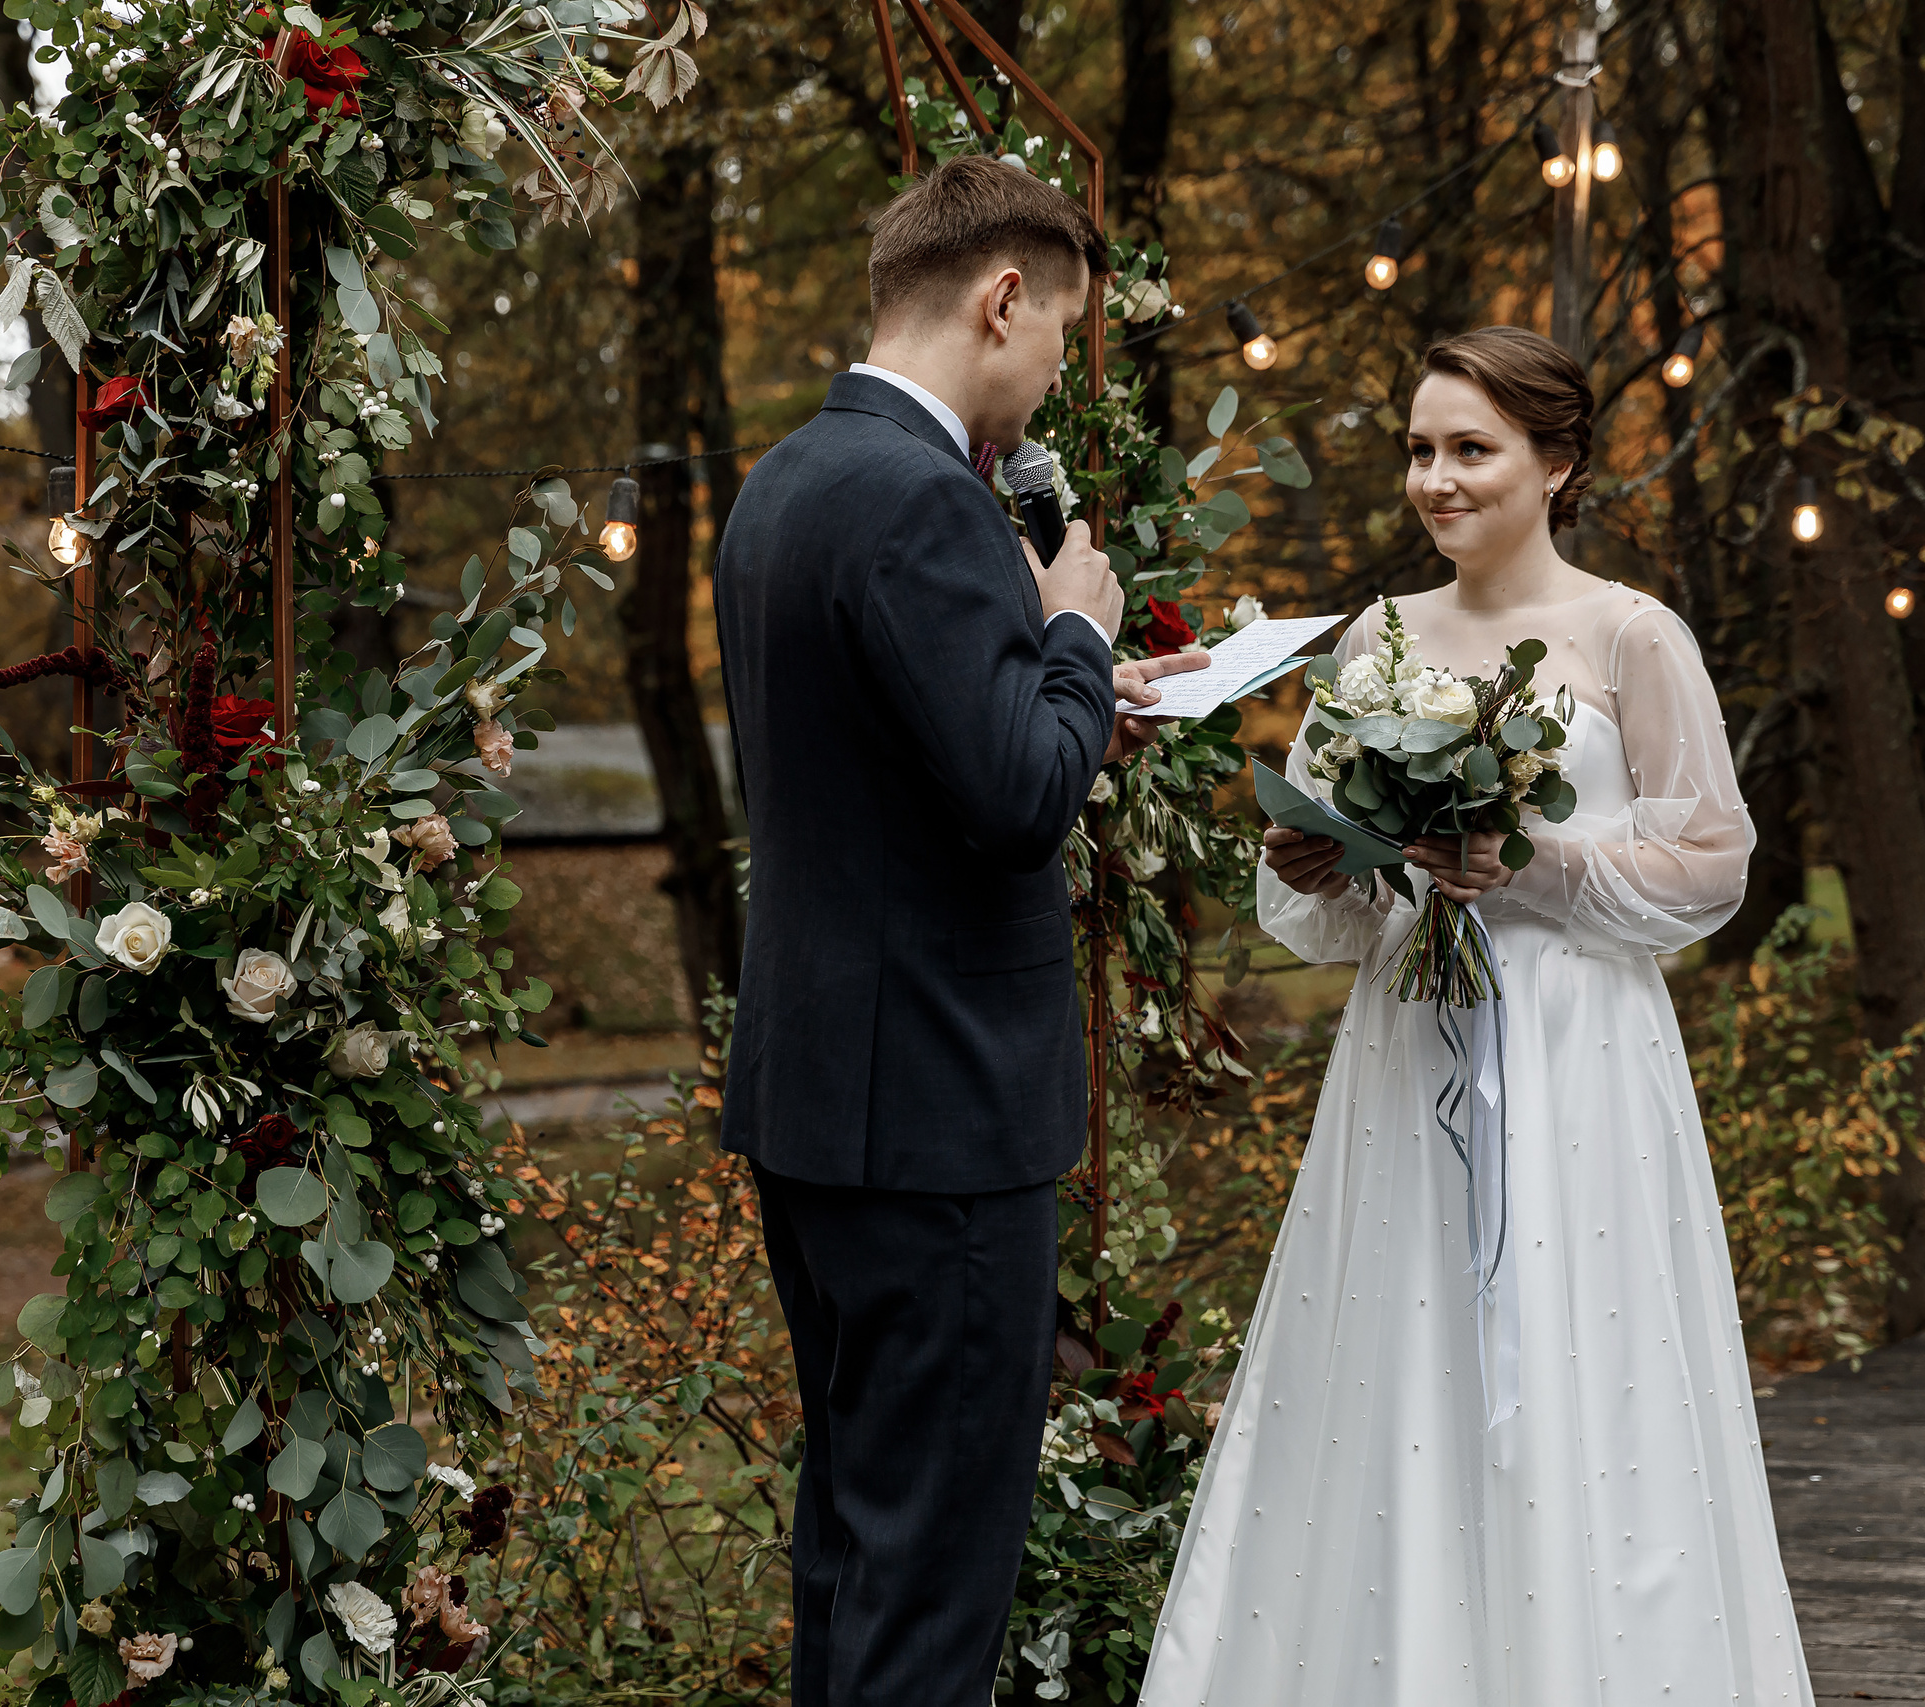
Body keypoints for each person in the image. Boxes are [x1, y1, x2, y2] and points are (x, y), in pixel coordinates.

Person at [1140, 326, 1814, 1706]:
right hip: (1408, 1048)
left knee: (1584, 1369)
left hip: (1577, 1056)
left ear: (1556, 464)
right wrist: (1314, 867)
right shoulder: (1380, 638)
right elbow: (1328, 926)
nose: (1435, 480)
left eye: (1469, 449)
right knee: (1399, 1365)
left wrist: (1542, 864)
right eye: (1419, 450)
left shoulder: (1632, 635)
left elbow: (1713, 864)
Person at [711, 154, 1207, 1707]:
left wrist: (1062, 706)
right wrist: (1076, 634)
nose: (1057, 376)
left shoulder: (790, 478)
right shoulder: (931, 500)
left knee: (855, 1541)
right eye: (1060, 334)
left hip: (822, 1100)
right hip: (937, 1117)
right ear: (1002, 298)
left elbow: (908, 762)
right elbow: (1009, 802)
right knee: (934, 1582)